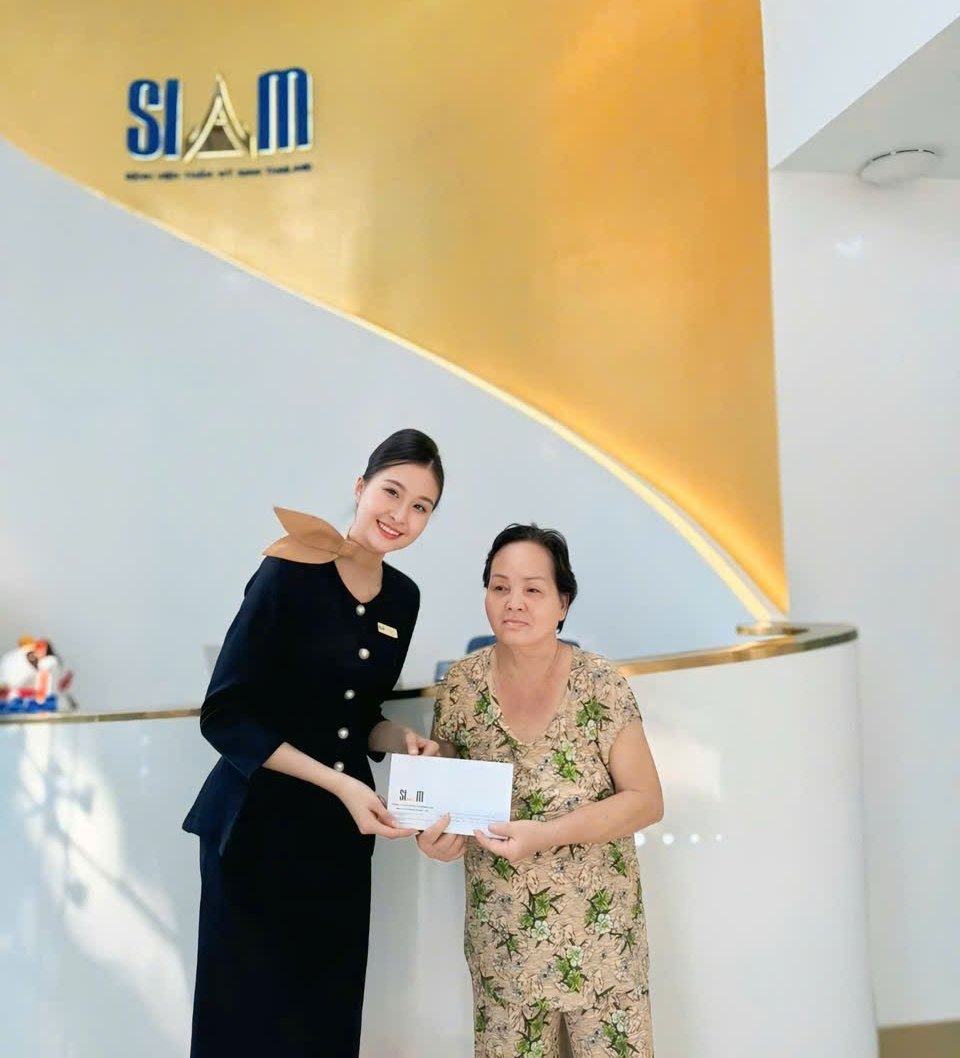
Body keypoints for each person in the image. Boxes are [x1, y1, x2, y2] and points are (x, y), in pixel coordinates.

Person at [183, 429, 444, 1058]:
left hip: (339, 840)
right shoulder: (289, 568)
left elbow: (359, 714)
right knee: (245, 1026)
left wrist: (400, 739)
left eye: (421, 506)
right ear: (360, 487)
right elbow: (224, 714)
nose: (401, 514)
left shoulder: (403, 598)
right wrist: (339, 783)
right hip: (256, 831)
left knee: (325, 1022)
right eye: (391, 492)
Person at [418, 523, 663, 1058]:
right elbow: (445, 798)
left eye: (533, 589)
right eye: (500, 587)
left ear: (562, 604)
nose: (514, 602)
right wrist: (434, 839)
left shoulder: (600, 684)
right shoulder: (461, 687)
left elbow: (646, 800)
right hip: (504, 951)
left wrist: (547, 834)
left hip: (603, 948)